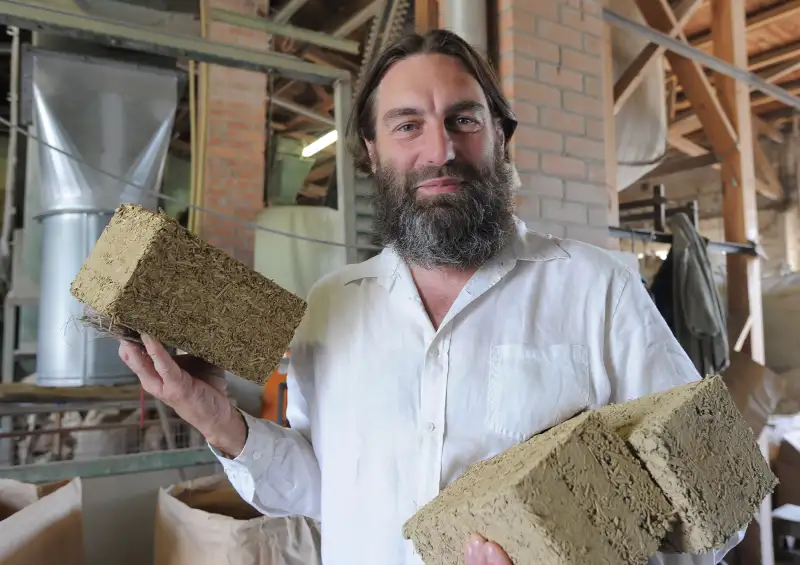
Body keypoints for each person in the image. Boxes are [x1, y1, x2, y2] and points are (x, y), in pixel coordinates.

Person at [119, 29, 745, 565]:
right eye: (407, 125)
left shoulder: (597, 288)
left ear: (500, 135)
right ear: (371, 152)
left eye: (464, 120)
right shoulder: (332, 304)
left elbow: (719, 506)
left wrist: (579, 543)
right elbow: (324, 491)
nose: (440, 149)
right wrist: (216, 417)